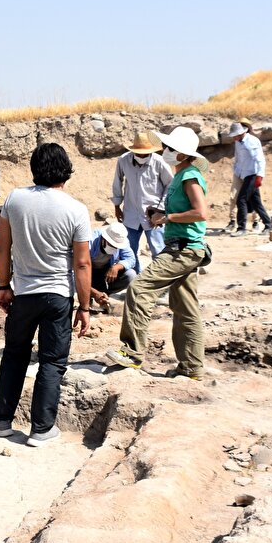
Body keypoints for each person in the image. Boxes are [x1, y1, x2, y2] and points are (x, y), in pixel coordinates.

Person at [0, 143, 92, 448]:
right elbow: (82, 263)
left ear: (34, 169)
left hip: (24, 293)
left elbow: (3, 248)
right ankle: (42, 429)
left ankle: (2, 420)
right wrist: (84, 307)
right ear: (66, 171)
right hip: (58, 295)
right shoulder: (76, 209)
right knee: (52, 361)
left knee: (14, 355)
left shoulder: (14, 200)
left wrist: (3, 286)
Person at [111, 126, 210, 380]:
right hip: (183, 246)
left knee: (139, 288)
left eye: (169, 148)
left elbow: (201, 212)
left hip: (183, 249)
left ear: (181, 153)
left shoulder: (189, 176)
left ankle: (132, 352)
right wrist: (160, 215)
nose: (164, 151)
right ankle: (191, 367)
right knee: (185, 307)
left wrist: (167, 217)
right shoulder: (181, 175)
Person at [111, 131, 172, 271]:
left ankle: (161, 288)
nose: (142, 157)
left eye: (145, 154)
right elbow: (117, 182)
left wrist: (160, 210)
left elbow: (170, 185)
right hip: (131, 213)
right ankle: (136, 284)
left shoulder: (159, 162)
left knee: (159, 252)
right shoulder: (123, 160)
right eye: (139, 154)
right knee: (129, 253)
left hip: (154, 216)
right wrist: (116, 206)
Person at [229, 119, 272, 237]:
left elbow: (260, 159)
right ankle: (269, 225)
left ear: (241, 133)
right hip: (244, 175)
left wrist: (260, 176)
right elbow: (238, 159)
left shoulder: (252, 141)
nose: (233, 138)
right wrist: (237, 173)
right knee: (256, 203)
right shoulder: (238, 143)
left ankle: (241, 228)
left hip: (253, 174)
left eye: (235, 136)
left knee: (241, 200)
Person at [87, 223, 137, 310]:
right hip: (87, 273)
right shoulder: (90, 241)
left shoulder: (122, 241)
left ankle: (104, 295)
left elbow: (131, 259)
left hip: (105, 273)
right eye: (111, 245)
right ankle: (87, 297)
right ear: (104, 238)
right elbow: (75, 273)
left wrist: (117, 267)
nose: (114, 247)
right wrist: (94, 292)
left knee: (131, 275)